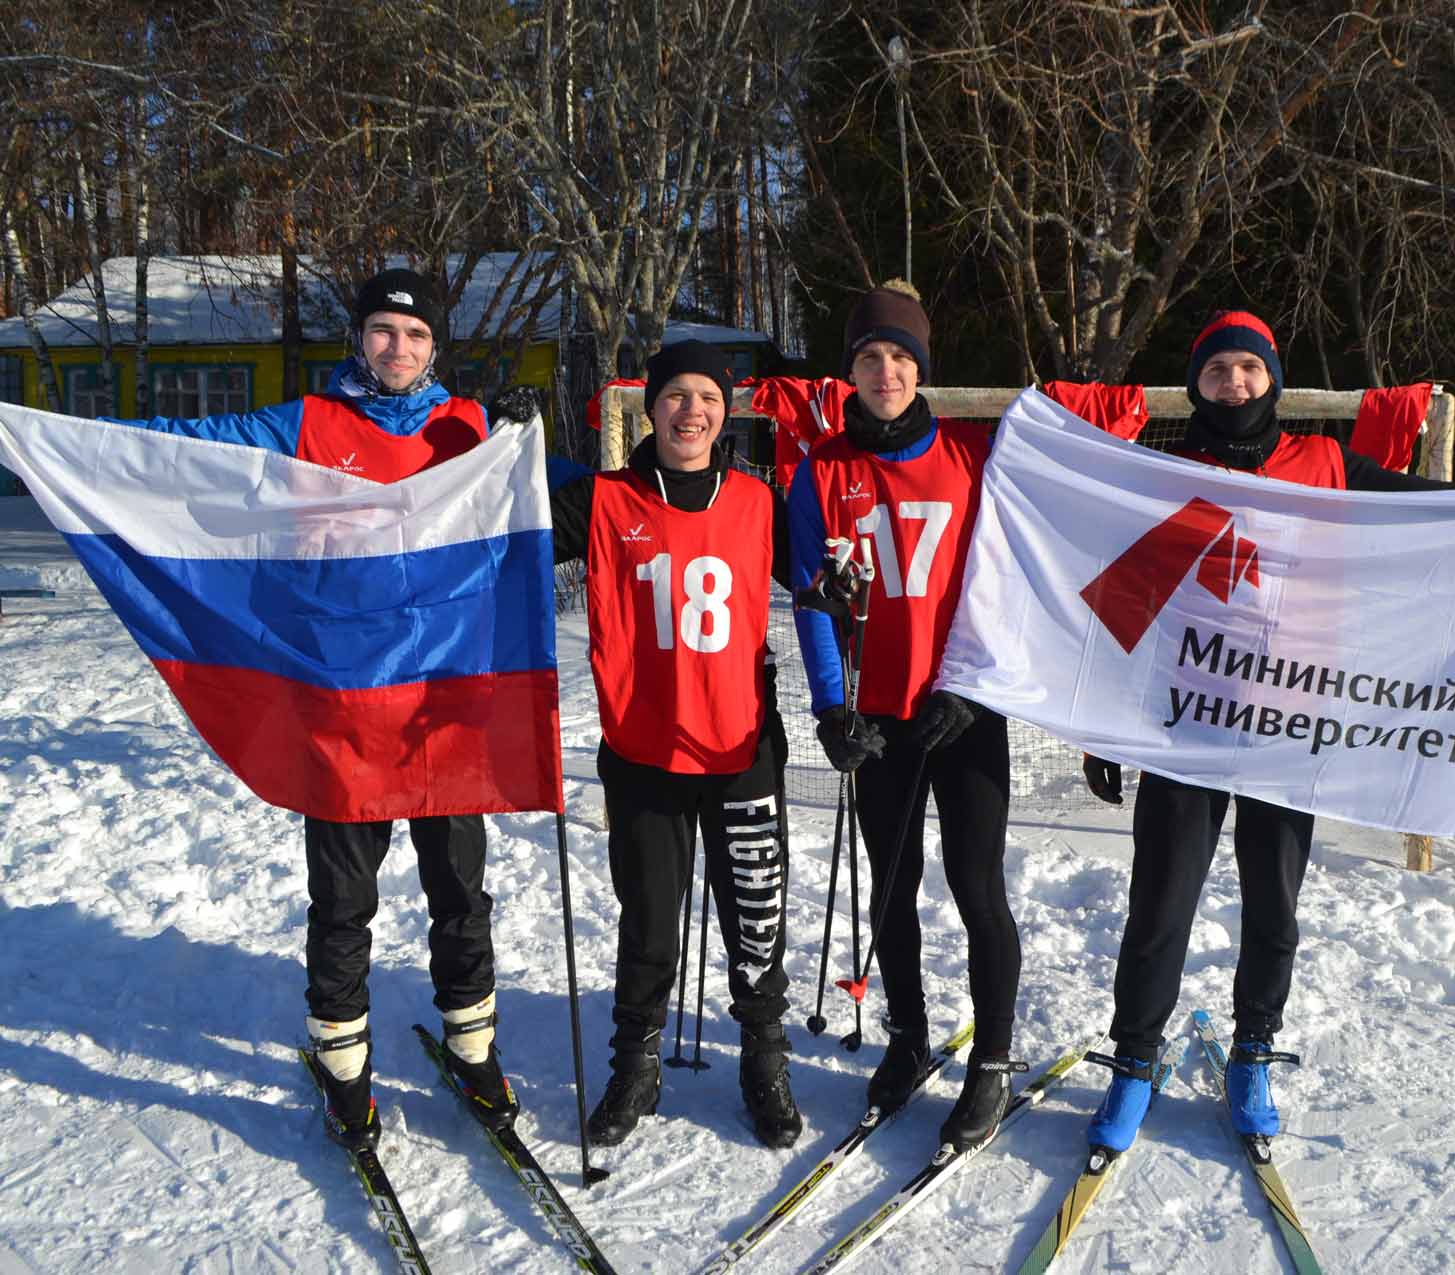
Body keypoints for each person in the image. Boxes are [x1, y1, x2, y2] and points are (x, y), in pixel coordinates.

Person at [103, 268, 520, 1149]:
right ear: (358, 339)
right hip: (344, 706)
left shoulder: (470, 430)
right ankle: (341, 1065)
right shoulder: (303, 425)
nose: (396, 348)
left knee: (460, 887)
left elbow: (544, 497)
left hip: (443, 702)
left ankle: (473, 1046)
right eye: (381, 331)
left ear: (434, 346)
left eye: (413, 335)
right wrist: (74, 443)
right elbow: (189, 453)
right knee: (343, 899)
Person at [1084, 310, 1451, 1154]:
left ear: (1272, 380)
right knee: (1160, 905)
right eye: (1218, 372)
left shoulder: (1324, 465)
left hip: (1290, 727)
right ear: (1197, 385)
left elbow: (1433, 510)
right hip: (1188, 729)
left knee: (1272, 906)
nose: (1235, 385)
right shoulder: (1173, 474)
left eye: (1249, 369)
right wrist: (1099, 728)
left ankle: (1253, 1052)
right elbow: (1123, 606)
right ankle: (1134, 1062)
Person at [549, 340, 802, 1149]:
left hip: (741, 747)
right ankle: (637, 1063)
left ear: (726, 414)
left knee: (756, 919)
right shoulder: (603, 501)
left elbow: (829, 578)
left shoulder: (760, 501)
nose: (691, 410)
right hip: (644, 752)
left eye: (707, 397)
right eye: (675, 396)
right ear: (649, 407)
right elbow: (496, 514)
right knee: (650, 918)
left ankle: (764, 1060)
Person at [789, 281, 1023, 1152]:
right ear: (848, 369)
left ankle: (992, 1061)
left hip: (962, 713)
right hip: (877, 716)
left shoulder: (971, 452)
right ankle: (909, 1036)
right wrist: (829, 708)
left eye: (900, 357)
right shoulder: (820, 469)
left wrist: (970, 683)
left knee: (975, 884)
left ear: (922, 367)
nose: (885, 371)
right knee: (891, 888)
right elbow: (815, 598)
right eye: (868, 357)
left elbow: (1002, 580)